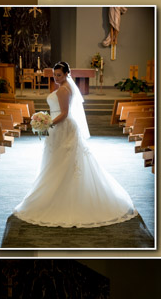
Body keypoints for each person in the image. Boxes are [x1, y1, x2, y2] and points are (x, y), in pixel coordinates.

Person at [10, 61, 137, 229]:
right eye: (54, 75)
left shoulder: (64, 90)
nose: (56, 78)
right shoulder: (64, 87)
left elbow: (64, 113)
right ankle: (57, 195)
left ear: (66, 74)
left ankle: (62, 199)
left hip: (63, 127)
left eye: (59, 75)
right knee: (58, 162)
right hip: (59, 127)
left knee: (64, 162)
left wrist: (48, 123)